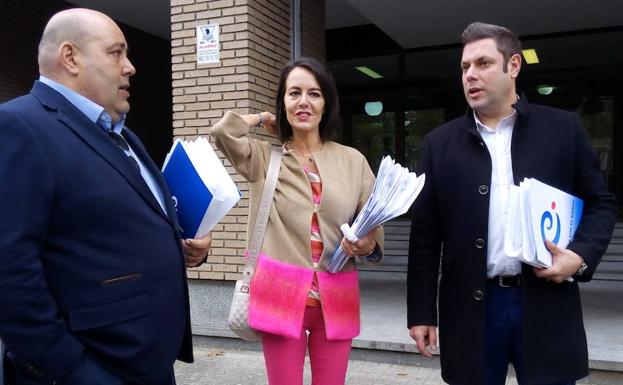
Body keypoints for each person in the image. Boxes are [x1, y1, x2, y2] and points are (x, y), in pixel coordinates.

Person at [0, 8, 212, 385]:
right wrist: (69, 370)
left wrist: (177, 245)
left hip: (148, 361)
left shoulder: (123, 135)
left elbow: (103, 230)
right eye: (117, 53)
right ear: (71, 57)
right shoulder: (19, 126)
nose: (129, 67)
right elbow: (10, 269)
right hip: (93, 368)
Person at [407, 22, 617, 385]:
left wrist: (579, 257)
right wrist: (421, 312)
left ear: (513, 66)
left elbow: (601, 203)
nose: (470, 75)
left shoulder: (562, 129)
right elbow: (425, 236)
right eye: (464, 67)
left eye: (483, 63)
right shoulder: (439, 144)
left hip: (545, 303)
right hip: (472, 308)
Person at [210, 56, 384, 385]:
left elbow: (374, 228)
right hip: (280, 294)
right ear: (283, 103)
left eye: (314, 93)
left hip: (337, 298)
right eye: (294, 93)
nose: (304, 101)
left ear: (326, 103)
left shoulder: (353, 161)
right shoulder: (264, 159)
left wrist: (366, 244)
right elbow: (222, 131)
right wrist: (262, 118)